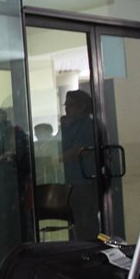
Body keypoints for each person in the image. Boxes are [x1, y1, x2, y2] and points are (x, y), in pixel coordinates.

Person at [59, 89, 100, 240]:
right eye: (66, 105)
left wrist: (58, 158)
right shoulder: (65, 127)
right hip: (69, 182)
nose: (67, 108)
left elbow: (80, 150)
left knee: (86, 220)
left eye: (71, 105)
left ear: (82, 106)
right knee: (73, 220)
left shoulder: (87, 125)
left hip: (84, 181)